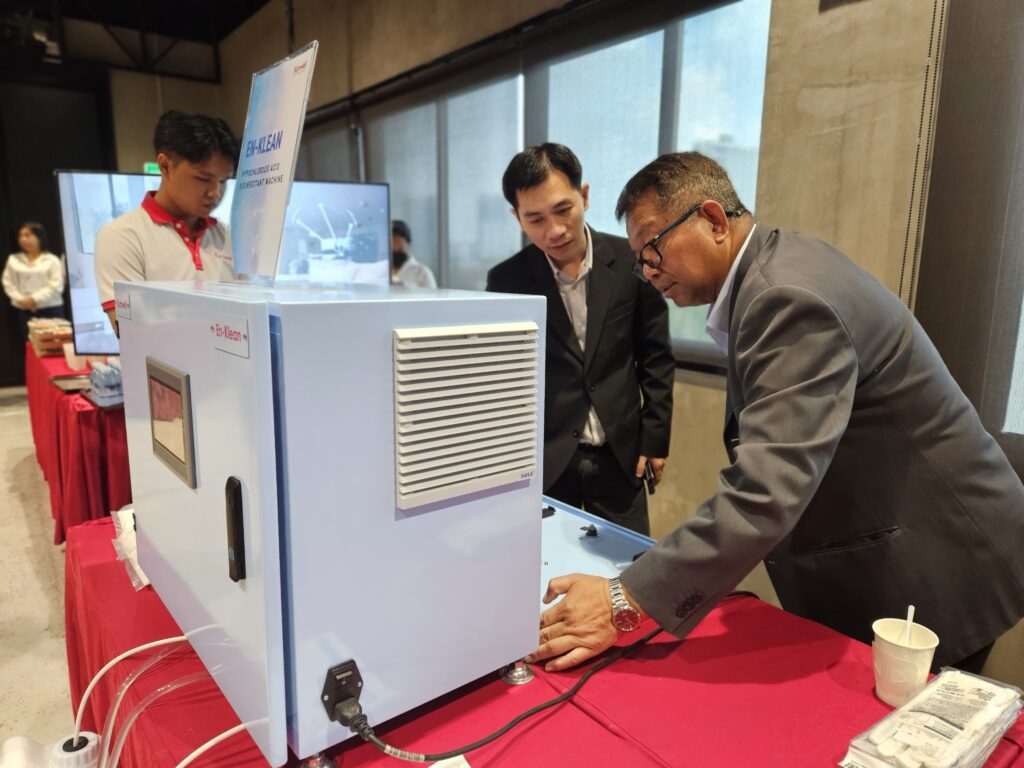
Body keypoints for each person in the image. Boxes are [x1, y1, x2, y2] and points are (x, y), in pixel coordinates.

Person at [529, 152, 1024, 673]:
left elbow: (765, 489)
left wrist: (623, 600)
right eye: (640, 260)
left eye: (653, 247)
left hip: (938, 561)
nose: (649, 272)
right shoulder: (770, 271)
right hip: (900, 542)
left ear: (713, 219)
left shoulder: (784, 297)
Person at [487, 144, 674, 535]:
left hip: (621, 455)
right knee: (547, 563)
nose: (554, 230)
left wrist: (655, 438)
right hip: (547, 459)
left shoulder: (632, 260)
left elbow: (655, 357)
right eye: (535, 219)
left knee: (629, 563)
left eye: (563, 210)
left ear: (584, 196)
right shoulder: (506, 281)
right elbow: (502, 380)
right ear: (517, 218)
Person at [95, 110, 240, 334]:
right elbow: (131, 333)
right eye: (203, 178)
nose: (215, 192)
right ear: (165, 166)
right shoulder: (122, 236)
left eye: (223, 181)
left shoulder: (228, 237)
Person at [3, 221, 65, 343]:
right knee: (30, 345)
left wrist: (34, 299)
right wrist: (21, 299)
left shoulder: (52, 260)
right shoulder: (13, 260)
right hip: (24, 311)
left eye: (27, 235)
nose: (23, 239)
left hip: (50, 310)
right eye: (20, 236)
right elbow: (8, 283)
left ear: (39, 237)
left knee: (54, 346)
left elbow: (56, 285)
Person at [390, 220, 437, 288]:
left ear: (408, 245)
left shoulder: (422, 273)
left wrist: (402, 286)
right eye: (392, 249)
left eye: (400, 248)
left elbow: (431, 294)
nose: (396, 251)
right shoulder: (380, 271)